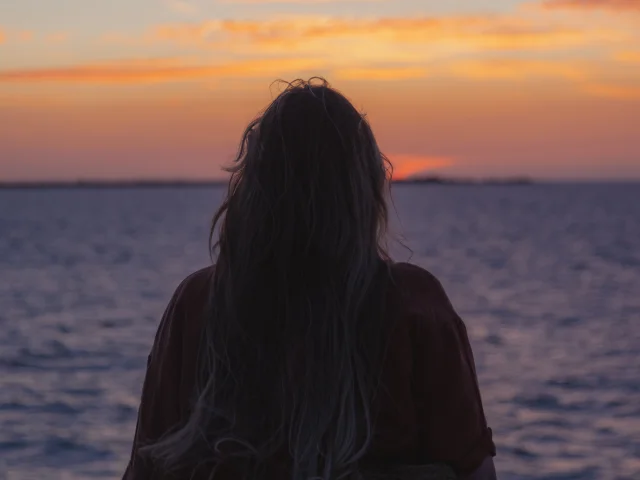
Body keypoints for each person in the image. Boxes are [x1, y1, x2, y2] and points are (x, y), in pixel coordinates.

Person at [123, 78, 497, 480]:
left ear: (253, 186)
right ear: (363, 188)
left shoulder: (199, 304)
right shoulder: (411, 304)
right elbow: (475, 473)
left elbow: (146, 467)